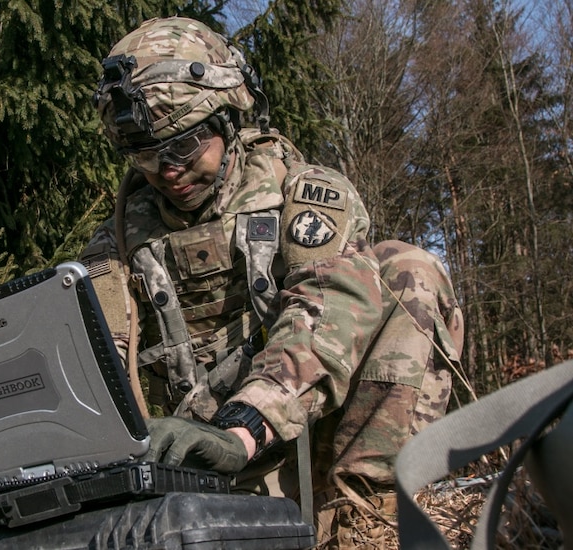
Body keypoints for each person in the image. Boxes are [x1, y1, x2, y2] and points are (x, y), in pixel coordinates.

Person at [80, 16, 464, 549]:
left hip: (302, 447)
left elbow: (323, 319)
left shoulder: (302, 198)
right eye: (146, 153)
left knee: (407, 270)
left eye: (185, 145)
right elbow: (92, 369)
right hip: (193, 476)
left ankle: (368, 524)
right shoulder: (119, 241)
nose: (166, 169)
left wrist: (242, 428)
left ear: (228, 118)